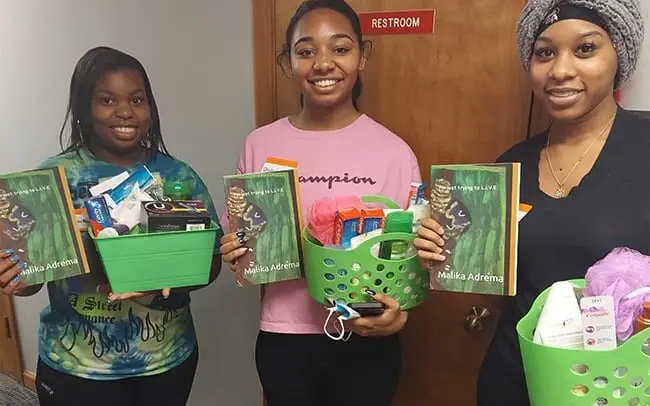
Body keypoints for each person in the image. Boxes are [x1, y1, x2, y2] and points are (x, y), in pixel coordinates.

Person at [414, 0, 646, 404]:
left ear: (619, 56)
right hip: (512, 380)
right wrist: (445, 255)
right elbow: (497, 288)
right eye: (545, 52)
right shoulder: (511, 166)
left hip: (614, 387)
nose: (560, 70)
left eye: (585, 49)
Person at [219, 0, 421, 405]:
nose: (323, 63)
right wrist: (234, 248)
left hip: (365, 338)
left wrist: (399, 314)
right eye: (306, 51)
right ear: (287, 62)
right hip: (285, 339)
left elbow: (409, 256)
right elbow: (240, 236)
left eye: (340, 48)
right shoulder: (260, 144)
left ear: (362, 56)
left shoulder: (395, 152)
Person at [0, 46, 223, 405]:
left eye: (137, 99)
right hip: (76, 366)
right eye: (107, 100)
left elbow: (211, 264)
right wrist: (15, 275)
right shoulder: (52, 178)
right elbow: (32, 278)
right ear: (83, 108)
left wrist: (163, 277)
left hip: (165, 361)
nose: (125, 112)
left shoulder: (177, 176)